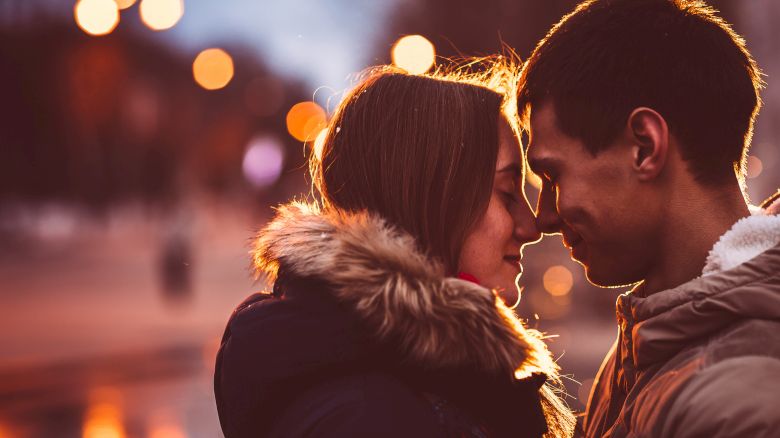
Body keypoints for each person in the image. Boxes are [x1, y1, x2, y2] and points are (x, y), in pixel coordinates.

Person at [214, 63, 576, 438]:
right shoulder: (369, 418)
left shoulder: (411, 376)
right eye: (506, 193)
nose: (532, 227)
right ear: (435, 199)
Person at [516, 0, 780, 437]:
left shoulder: (739, 406)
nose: (542, 217)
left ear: (644, 146)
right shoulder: (647, 342)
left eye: (552, 175)